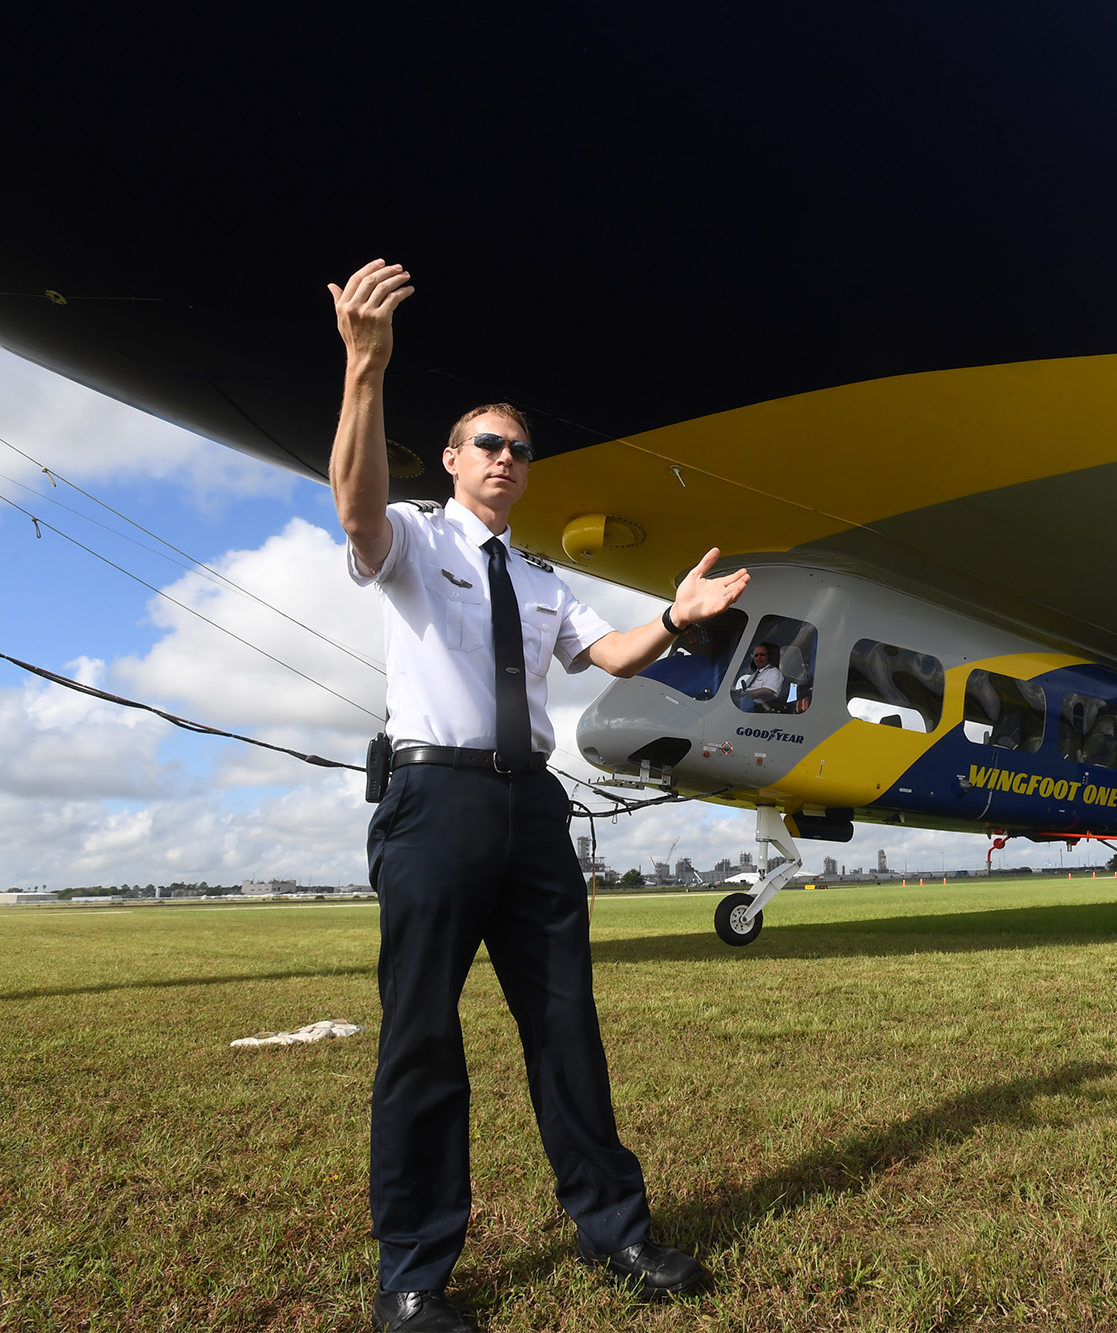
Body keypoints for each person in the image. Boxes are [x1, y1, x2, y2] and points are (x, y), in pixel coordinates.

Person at [329, 260, 749, 1330]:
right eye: (488, 445)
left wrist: (677, 614)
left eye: (520, 448)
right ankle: (414, 1277)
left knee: (565, 1023)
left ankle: (615, 1230)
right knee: (421, 1035)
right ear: (455, 461)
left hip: (531, 810)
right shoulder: (415, 541)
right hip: (435, 805)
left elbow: (608, 655)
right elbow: (354, 504)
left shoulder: (544, 579)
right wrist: (365, 370)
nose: (508, 460)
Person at [732, 640, 787, 710]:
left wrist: (748, 694)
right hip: (747, 706)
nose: (759, 657)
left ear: (769, 656)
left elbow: (767, 691)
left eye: (762, 655)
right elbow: (745, 691)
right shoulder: (753, 676)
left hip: (762, 709)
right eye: (756, 655)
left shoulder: (773, 672)